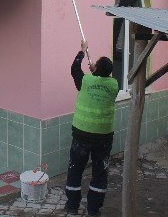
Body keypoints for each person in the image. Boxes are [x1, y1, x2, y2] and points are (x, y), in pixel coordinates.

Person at [64, 40, 118, 216]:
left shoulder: (85, 81)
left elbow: (74, 69)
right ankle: (93, 210)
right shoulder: (114, 85)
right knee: (99, 174)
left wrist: (82, 51)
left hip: (82, 136)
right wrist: (96, 71)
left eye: (94, 64)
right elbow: (102, 81)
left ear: (96, 69)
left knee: (75, 170)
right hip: (103, 138)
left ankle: (72, 207)